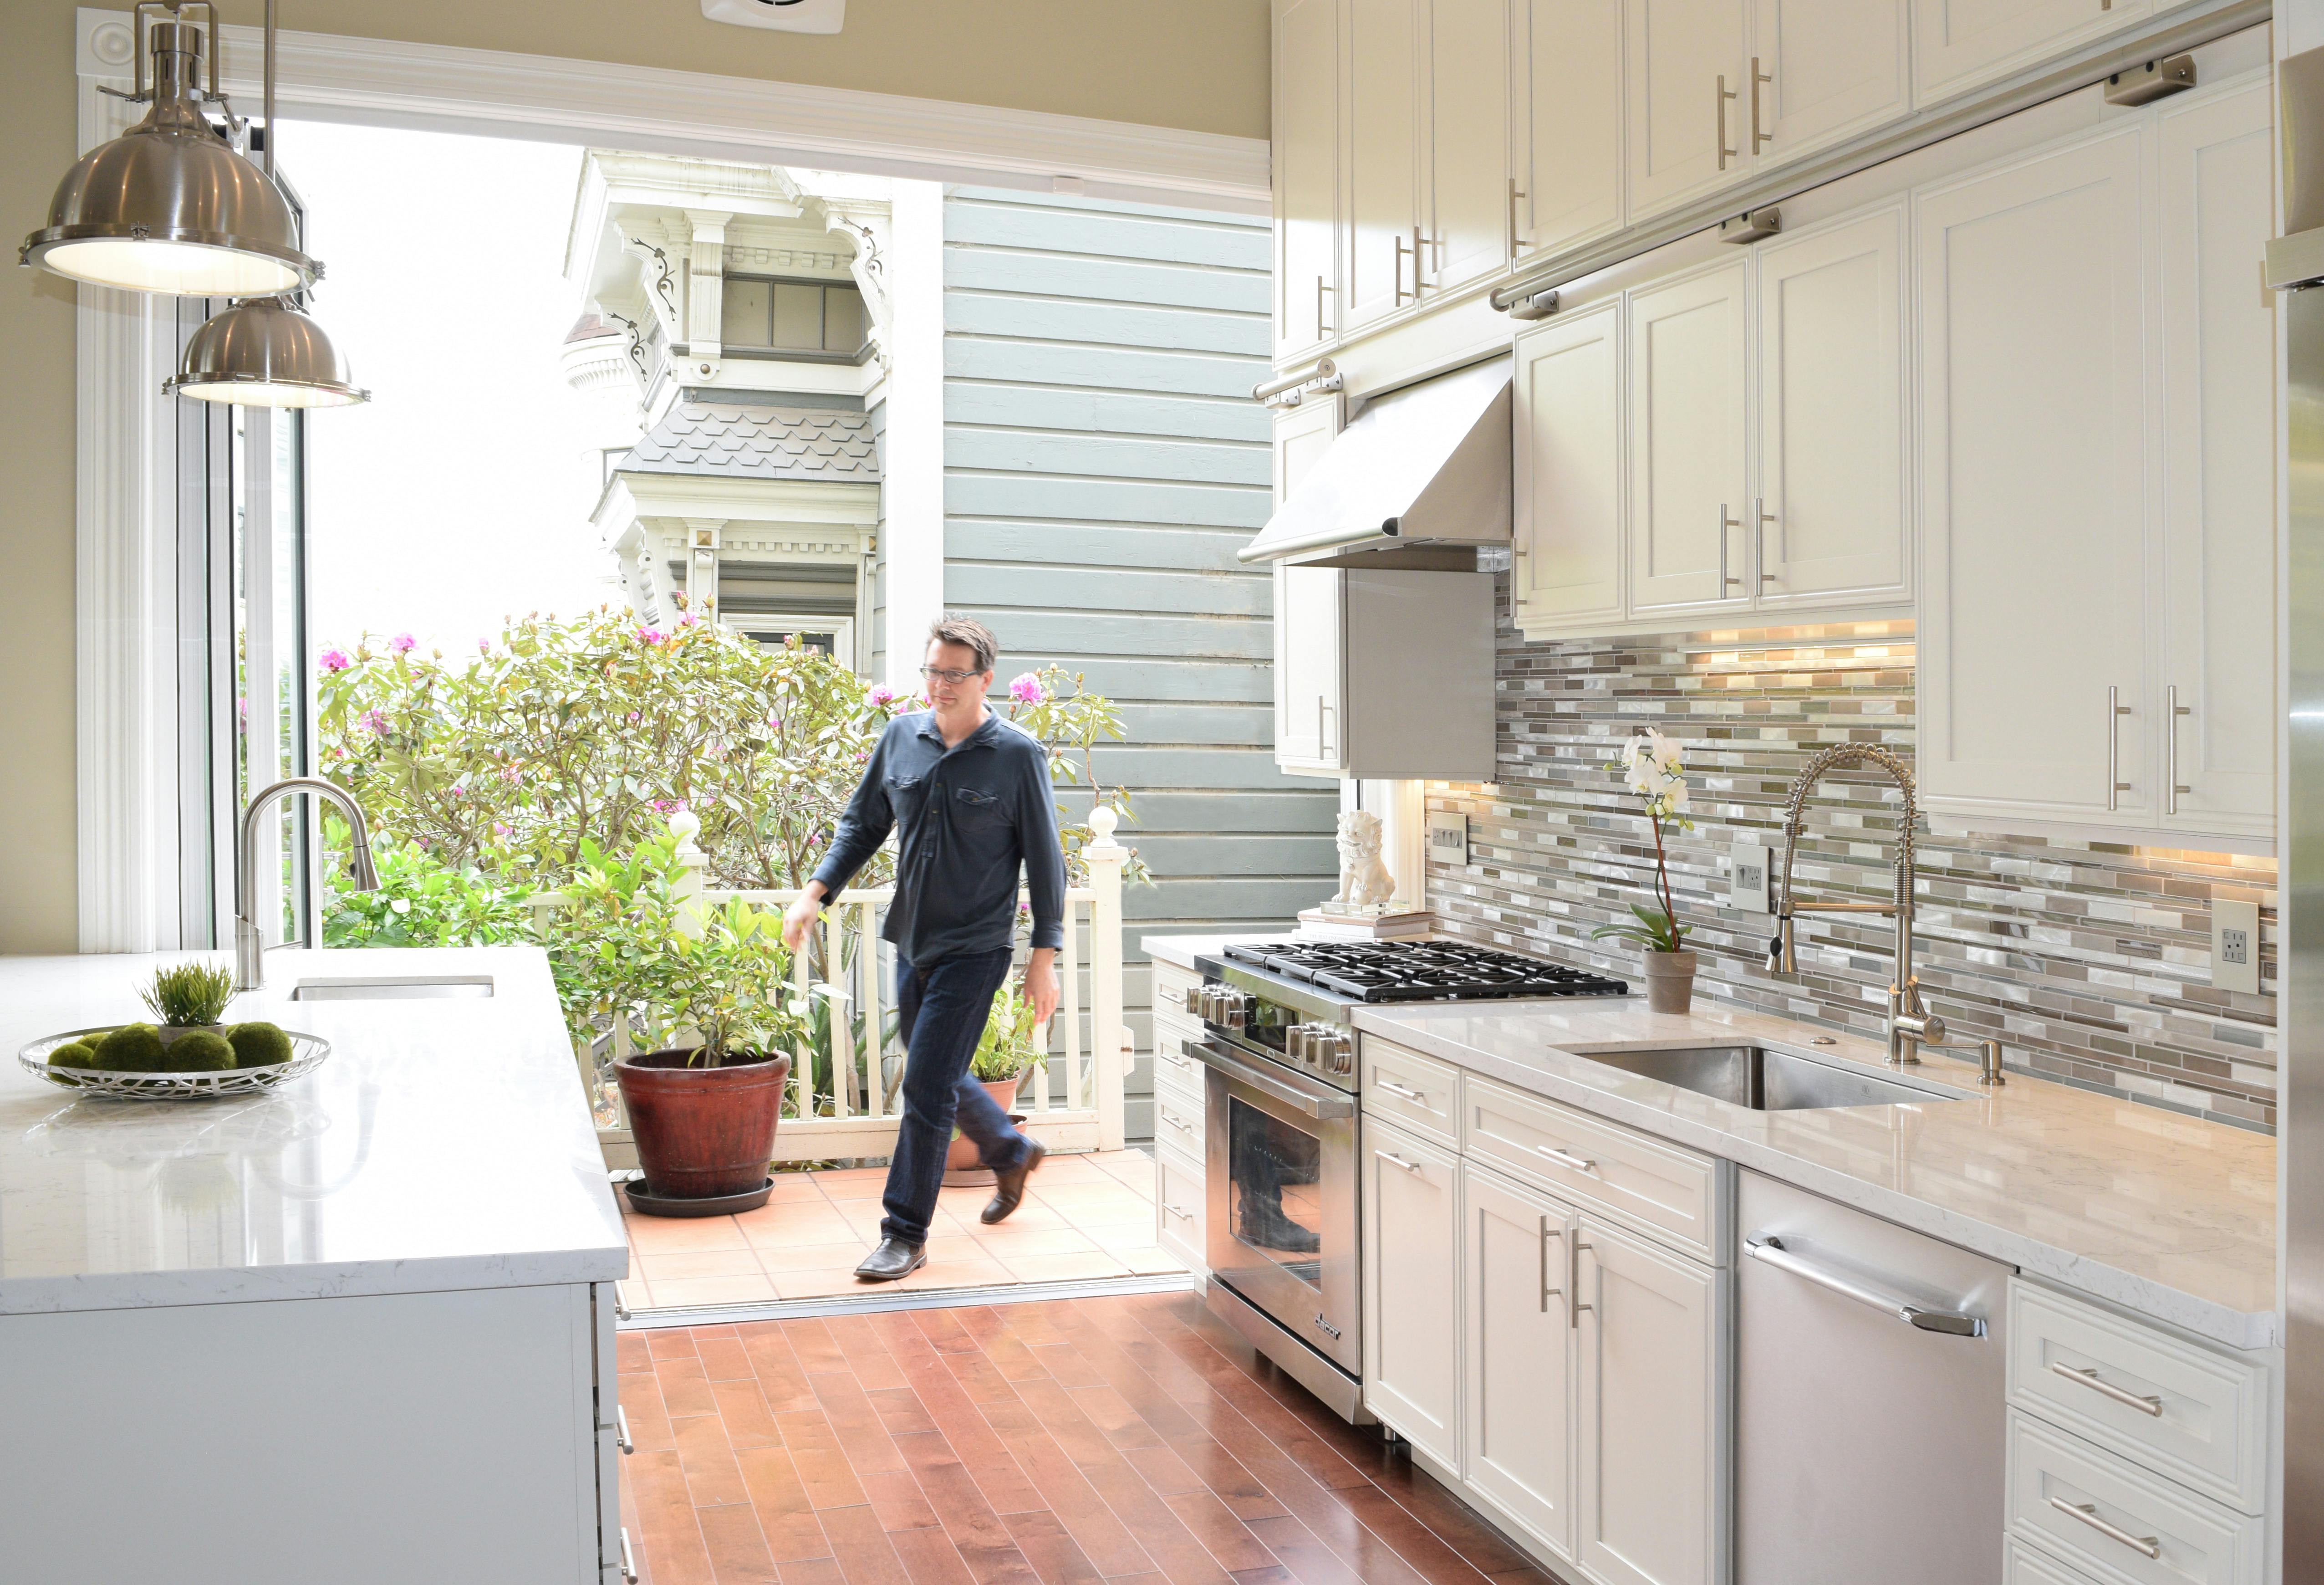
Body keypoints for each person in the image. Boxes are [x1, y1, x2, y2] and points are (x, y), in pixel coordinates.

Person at [782, 616, 1064, 1282]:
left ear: (985, 680)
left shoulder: (1017, 755)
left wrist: (1043, 958)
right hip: (912, 939)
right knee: (936, 1072)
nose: (940, 685)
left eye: (955, 674)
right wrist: (814, 893)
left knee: (928, 1086)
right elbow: (863, 824)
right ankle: (1008, 1147)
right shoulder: (901, 738)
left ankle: (904, 1232)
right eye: (932, 671)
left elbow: (1046, 861)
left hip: (977, 946)